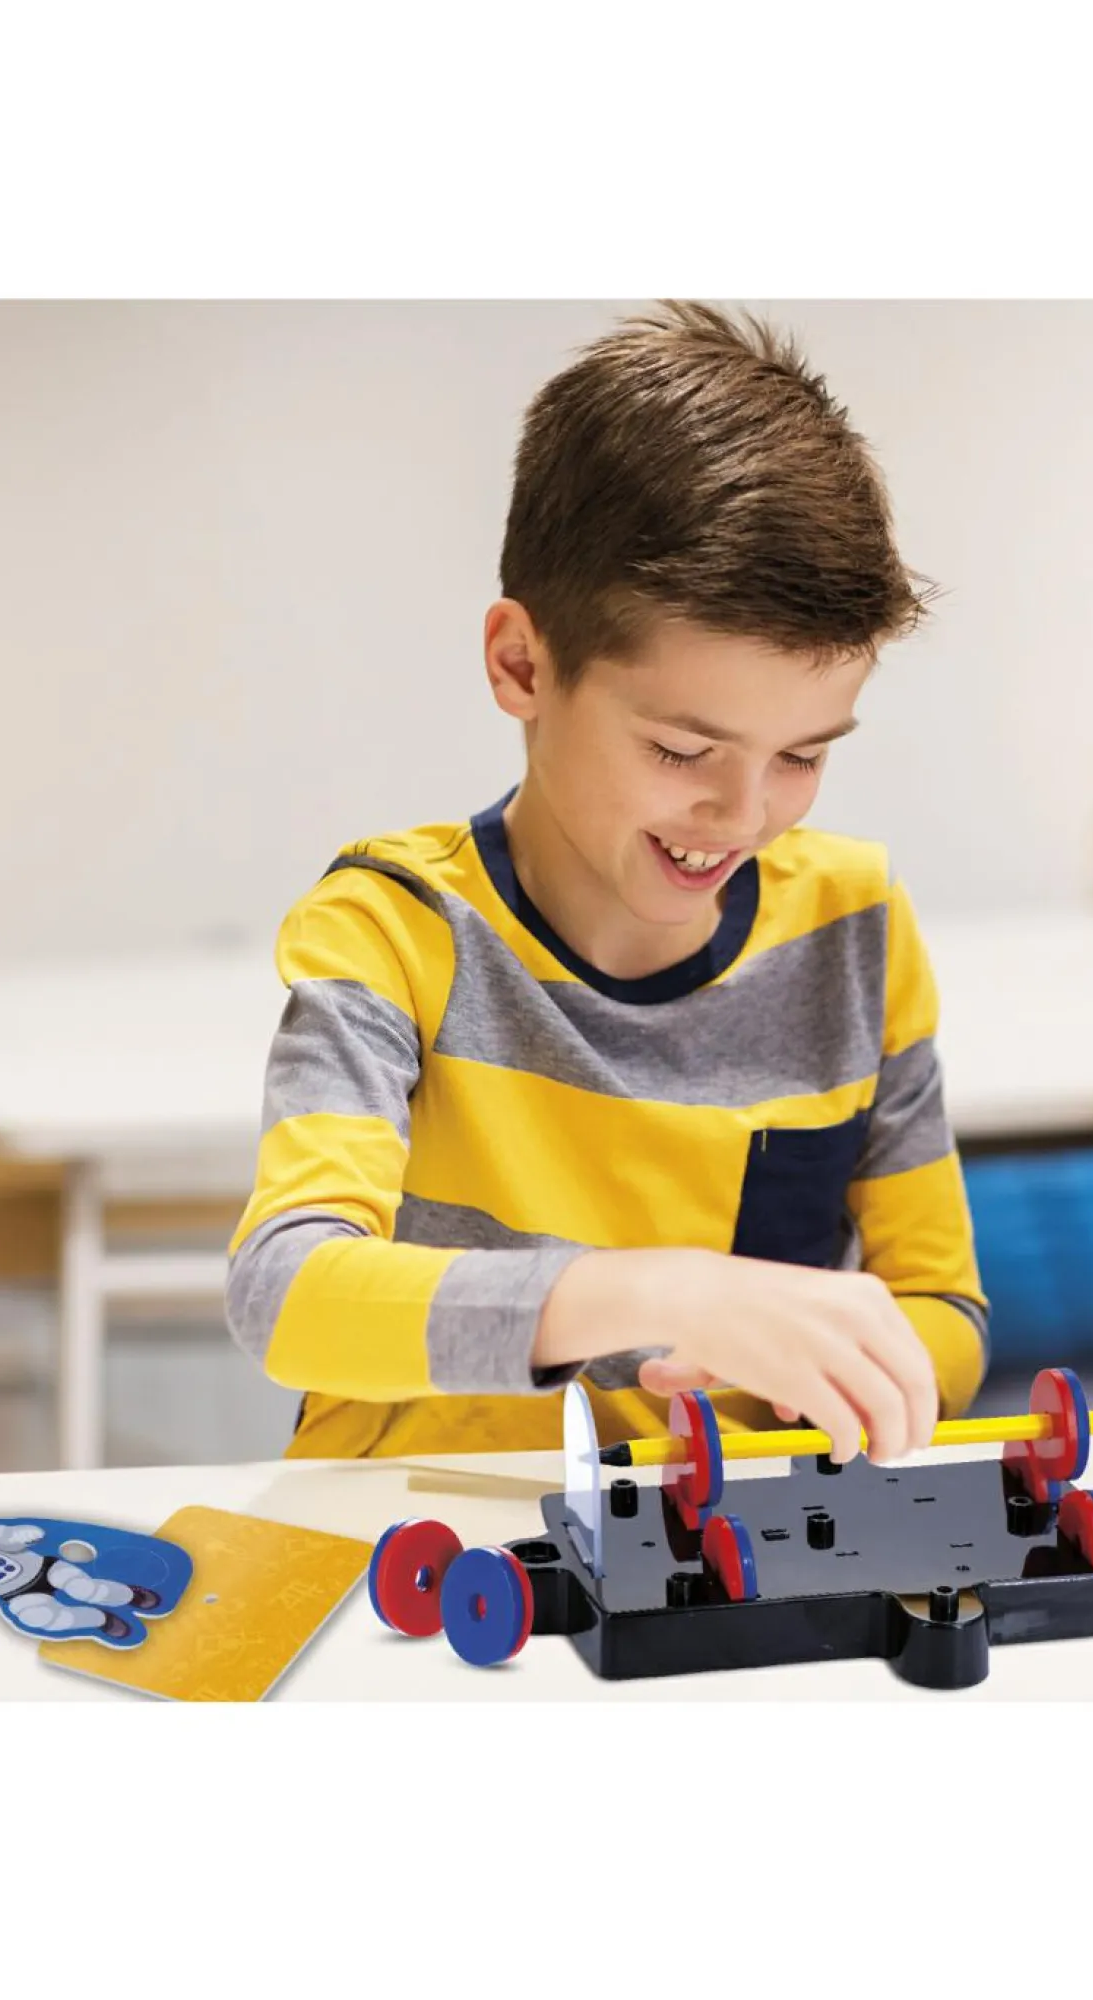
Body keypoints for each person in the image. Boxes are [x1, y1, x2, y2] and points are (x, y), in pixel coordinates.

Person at [226, 302, 987, 1466]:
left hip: (715, 1537)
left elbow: (944, 1312)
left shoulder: (853, 925)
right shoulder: (391, 929)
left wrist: (809, 1361)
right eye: (681, 750)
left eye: (801, 755)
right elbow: (285, 1292)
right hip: (417, 1532)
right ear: (521, 664)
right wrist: (664, 1290)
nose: (743, 814)